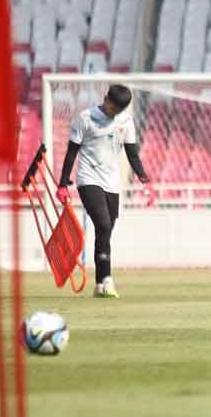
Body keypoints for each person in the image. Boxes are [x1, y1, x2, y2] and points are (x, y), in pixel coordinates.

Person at [57, 84, 153, 298]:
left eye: (119, 110)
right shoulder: (85, 118)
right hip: (88, 179)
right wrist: (63, 183)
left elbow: (132, 154)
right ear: (106, 99)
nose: (114, 113)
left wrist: (145, 180)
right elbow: (72, 152)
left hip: (112, 182)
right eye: (112, 108)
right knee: (103, 223)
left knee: (106, 231)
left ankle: (100, 285)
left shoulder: (126, 121)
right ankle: (108, 279)